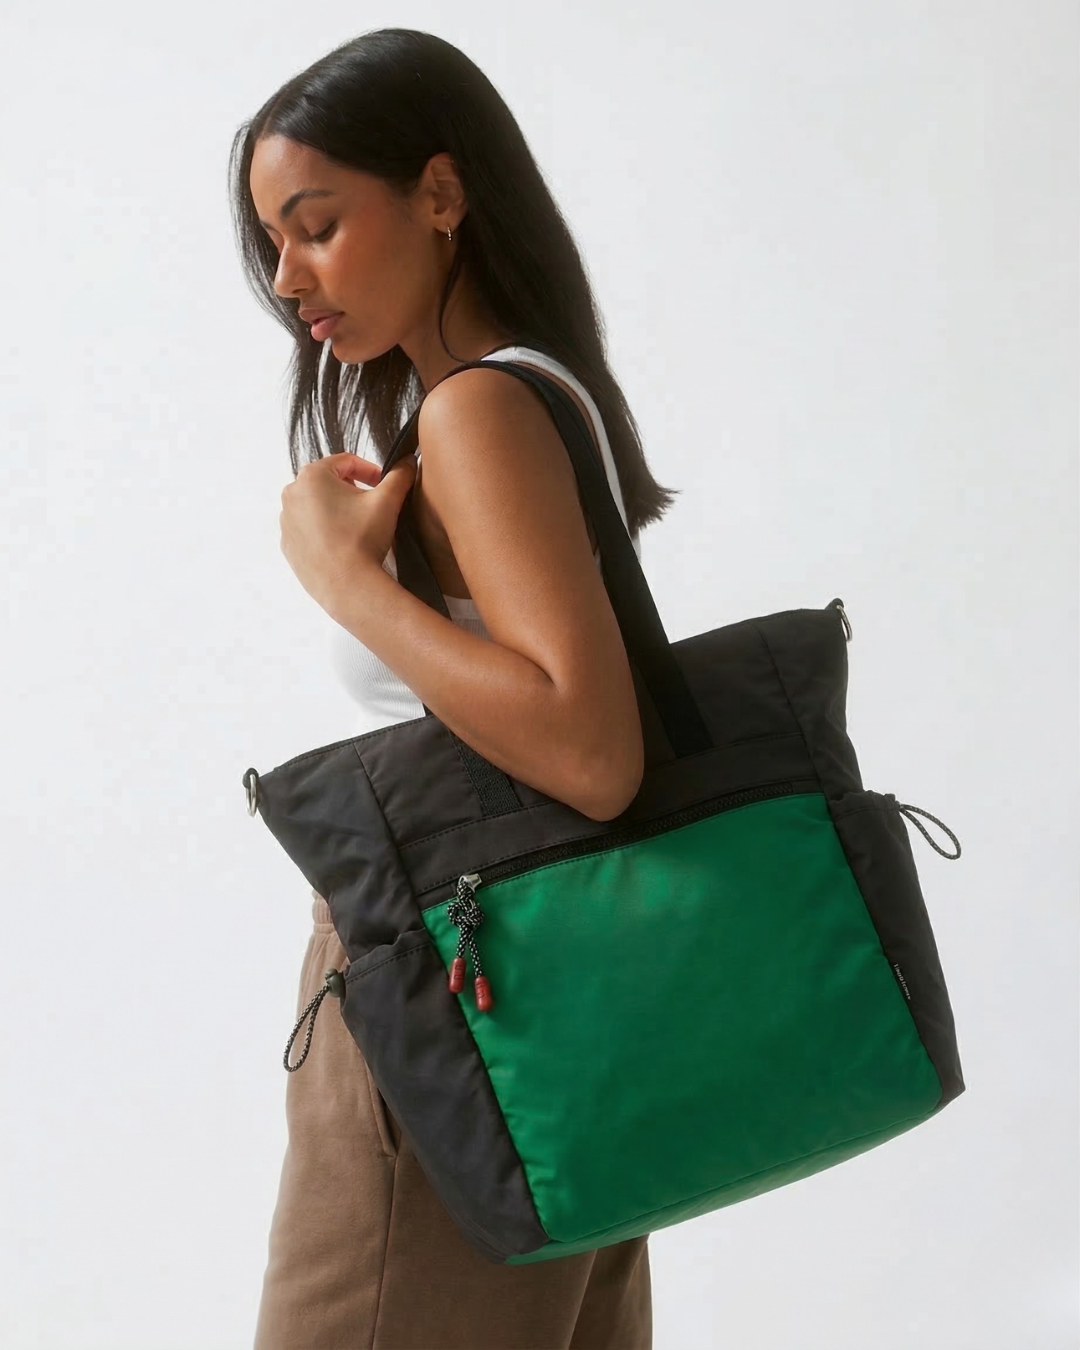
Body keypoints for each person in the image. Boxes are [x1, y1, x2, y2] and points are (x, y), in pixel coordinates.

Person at [230, 25, 679, 1350]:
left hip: (454, 1010)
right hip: (556, 1011)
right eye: (270, 242)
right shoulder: (535, 396)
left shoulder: (476, 413)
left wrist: (347, 585)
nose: (286, 277)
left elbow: (591, 750)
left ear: (439, 194)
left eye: (316, 225)